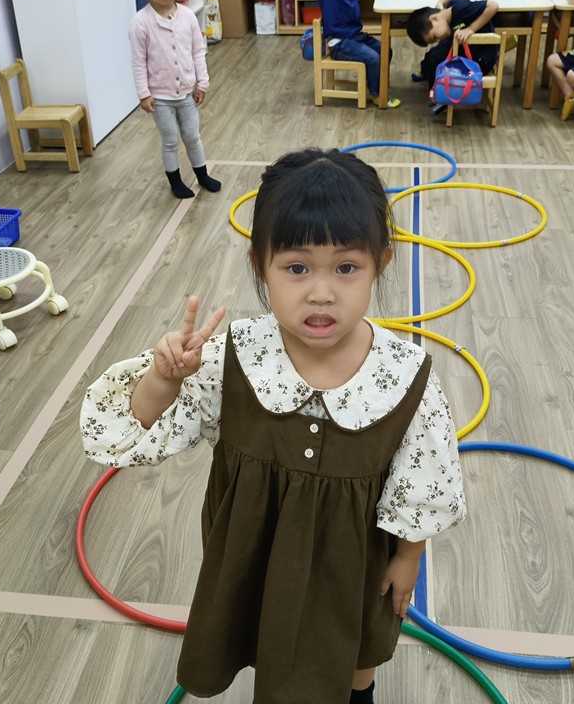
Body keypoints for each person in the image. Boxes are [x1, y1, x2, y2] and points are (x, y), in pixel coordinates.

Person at [80, 148, 467, 704]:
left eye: (346, 268)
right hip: (252, 554)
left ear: (380, 263)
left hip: (353, 566)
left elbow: (422, 484)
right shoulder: (234, 356)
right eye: (296, 268)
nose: (321, 292)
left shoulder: (405, 376)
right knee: (260, 627)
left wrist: (409, 557)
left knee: (356, 652)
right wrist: (163, 379)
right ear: (259, 264)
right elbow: (131, 432)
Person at [130, 0, 221, 199]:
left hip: (187, 94)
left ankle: (202, 175)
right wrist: (143, 94)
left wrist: (202, 83)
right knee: (170, 140)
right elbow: (138, 62)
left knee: (193, 136)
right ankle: (176, 182)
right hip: (160, 98)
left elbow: (198, 51)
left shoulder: (188, 17)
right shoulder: (140, 23)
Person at [315, 0, 401, 108]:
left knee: (385, 51)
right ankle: (377, 95)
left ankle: (375, 84)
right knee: (373, 58)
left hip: (356, 36)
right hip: (338, 43)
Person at [405, 0, 500, 95]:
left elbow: (493, 6)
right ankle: (426, 73)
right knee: (432, 53)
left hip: (480, 60)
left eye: (434, 37)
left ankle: (436, 94)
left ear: (434, 19)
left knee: (434, 58)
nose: (438, 39)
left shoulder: (461, 9)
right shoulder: (446, 13)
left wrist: (470, 29)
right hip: (466, 48)